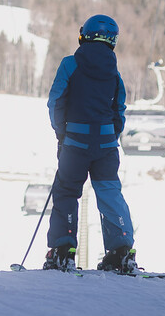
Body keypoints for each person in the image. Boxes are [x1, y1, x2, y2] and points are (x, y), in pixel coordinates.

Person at [43, 14, 138, 274]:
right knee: (109, 192)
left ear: (84, 34)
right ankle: (121, 251)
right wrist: (109, 136)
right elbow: (119, 110)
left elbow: (56, 101)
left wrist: (61, 133)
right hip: (106, 146)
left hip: (75, 142)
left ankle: (63, 250)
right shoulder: (114, 73)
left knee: (66, 190)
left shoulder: (70, 64)